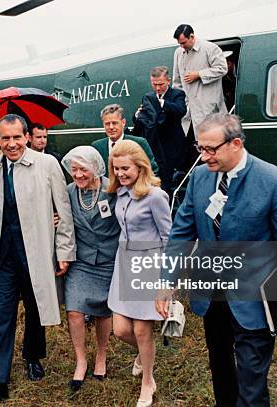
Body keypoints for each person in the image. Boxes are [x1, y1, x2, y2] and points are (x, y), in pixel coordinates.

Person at [155, 114, 277, 406]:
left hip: (255, 299)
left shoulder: (274, 181)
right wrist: (167, 280)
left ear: (236, 143)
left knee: (251, 385)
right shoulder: (200, 178)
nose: (204, 157)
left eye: (211, 149)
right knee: (221, 371)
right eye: (200, 148)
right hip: (212, 298)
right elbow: (181, 233)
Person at [0, 114, 76, 405]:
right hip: (3, 254)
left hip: (36, 251)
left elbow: (63, 210)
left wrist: (65, 251)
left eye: (17, 137)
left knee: (35, 306)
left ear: (27, 137)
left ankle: (32, 356)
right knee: (2, 313)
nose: (12, 144)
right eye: (5, 138)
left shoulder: (46, 165)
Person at [106, 140, 172, 407]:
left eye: (125, 168)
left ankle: (147, 381)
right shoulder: (120, 193)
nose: (120, 174)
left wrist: (167, 281)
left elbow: (170, 237)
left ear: (140, 166)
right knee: (121, 330)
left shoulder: (156, 196)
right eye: (116, 168)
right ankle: (145, 356)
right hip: (124, 264)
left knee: (143, 331)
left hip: (149, 265)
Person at [60, 146, 120, 391]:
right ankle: (81, 360)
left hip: (108, 259)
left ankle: (101, 356)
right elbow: (62, 217)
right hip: (82, 261)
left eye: (83, 169)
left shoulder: (112, 189)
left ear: (96, 168)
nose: (78, 174)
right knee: (74, 311)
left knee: (102, 311)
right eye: (73, 169)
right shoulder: (68, 192)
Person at [172, 24, 227, 167]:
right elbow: (177, 82)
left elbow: (222, 68)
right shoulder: (178, 53)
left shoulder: (210, 48)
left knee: (208, 145)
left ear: (192, 36)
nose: (182, 46)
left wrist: (199, 74)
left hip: (207, 109)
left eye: (184, 43)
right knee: (189, 147)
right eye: (179, 44)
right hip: (187, 112)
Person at [133, 66, 187, 192]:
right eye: (154, 84)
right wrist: (137, 115)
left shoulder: (177, 94)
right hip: (155, 144)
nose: (157, 88)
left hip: (172, 146)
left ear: (168, 81)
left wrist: (162, 104)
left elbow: (181, 110)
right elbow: (144, 120)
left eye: (161, 84)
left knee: (169, 182)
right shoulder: (148, 97)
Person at [92, 104, 159, 177]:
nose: (111, 127)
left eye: (114, 123)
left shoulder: (139, 143)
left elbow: (152, 170)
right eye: (107, 124)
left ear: (123, 122)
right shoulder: (97, 146)